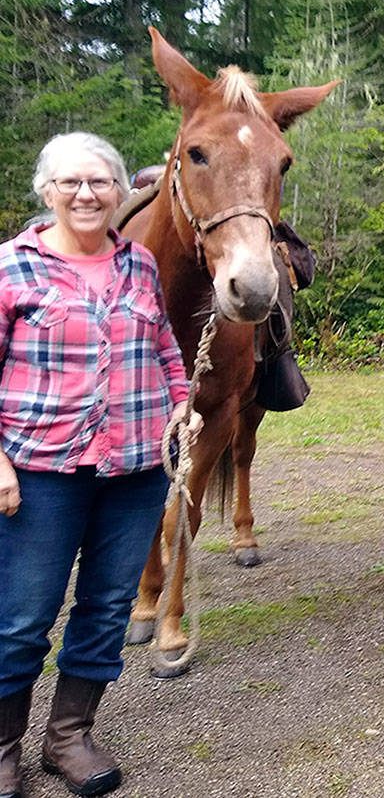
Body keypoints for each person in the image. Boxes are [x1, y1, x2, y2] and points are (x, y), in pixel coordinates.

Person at [0, 132, 197, 798]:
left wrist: (181, 405)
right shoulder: (11, 268)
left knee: (107, 608)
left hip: (136, 471)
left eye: (100, 182)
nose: (86, 194)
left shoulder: (139, 264)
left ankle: (68, 740)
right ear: (47, 190)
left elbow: (168, 352)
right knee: (24, 617)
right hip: (38, 475)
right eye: (70, 182)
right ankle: (3, 748)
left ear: (120, 192)